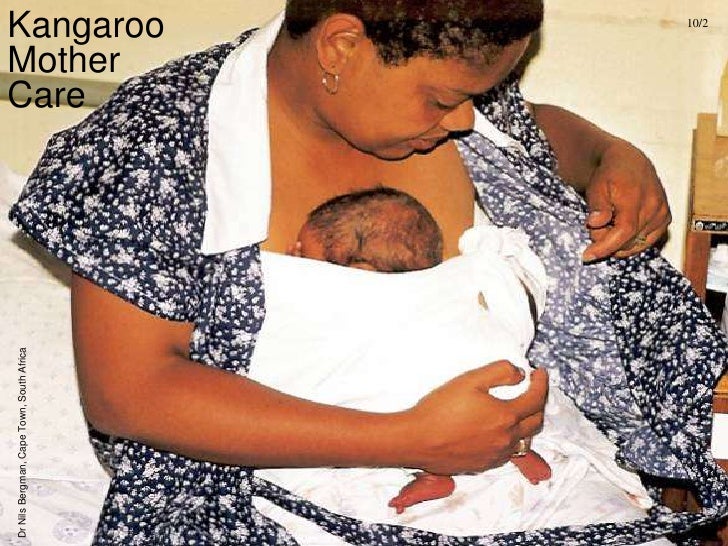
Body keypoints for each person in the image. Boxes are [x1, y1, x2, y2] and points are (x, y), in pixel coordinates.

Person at [9, 0, 724, 544]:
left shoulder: (446, 113)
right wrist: (406, 437)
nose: (465, 121)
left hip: (511, 472)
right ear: (342, 46)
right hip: (263, 489)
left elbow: (538, 128)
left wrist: (610, 154)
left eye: (479, 97)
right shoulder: (156, 142)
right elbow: (129, 394)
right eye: (444, 100)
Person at [286, 186, 551, 514]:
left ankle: (434, 474)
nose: (291, 256)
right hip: (490, 379)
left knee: (376, 394)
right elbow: (508, 290)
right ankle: (518, 451)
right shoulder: (455, 280)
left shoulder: (353, 302)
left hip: (425, 400)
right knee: (494, 373)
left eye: (303, 256)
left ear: (359, 274)